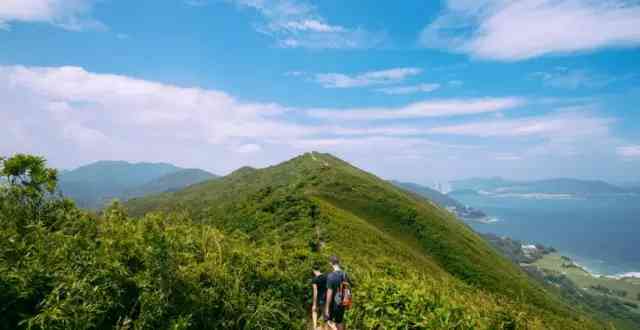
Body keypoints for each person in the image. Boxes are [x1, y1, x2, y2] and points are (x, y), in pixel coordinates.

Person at [324, 255, 348, 330]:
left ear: (331, 263)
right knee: (339, 321)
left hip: (333, 304)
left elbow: (329, 294)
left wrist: (327, 307)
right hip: (342, 302)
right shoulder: (344, 274)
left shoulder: (330, 276)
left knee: (329, 321)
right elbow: (346, 288)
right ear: (338, 262)